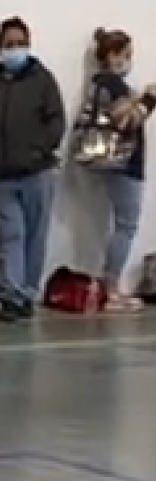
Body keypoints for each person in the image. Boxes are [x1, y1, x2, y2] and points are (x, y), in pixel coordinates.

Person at [0, 17, 65, 322]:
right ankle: (10, 295)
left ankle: (27, 295)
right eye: (9, 44)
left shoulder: (44, 81)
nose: (15, 49)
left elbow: (56, 121)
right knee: (11, 236)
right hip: (0, 176)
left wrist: (40, 150)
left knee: (35, 237)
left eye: (20, 43)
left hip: (37, 173)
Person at [86, 27, 156, 310]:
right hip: (124, 164)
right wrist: (149, 100)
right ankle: (111, 287)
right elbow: (125, 121)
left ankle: (109, 285)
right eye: (125, 55)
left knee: (123, 224)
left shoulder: (104, 85)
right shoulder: (111, 84)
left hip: (119, 164)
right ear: (112, 55)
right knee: (126, 225)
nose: (128, 61)